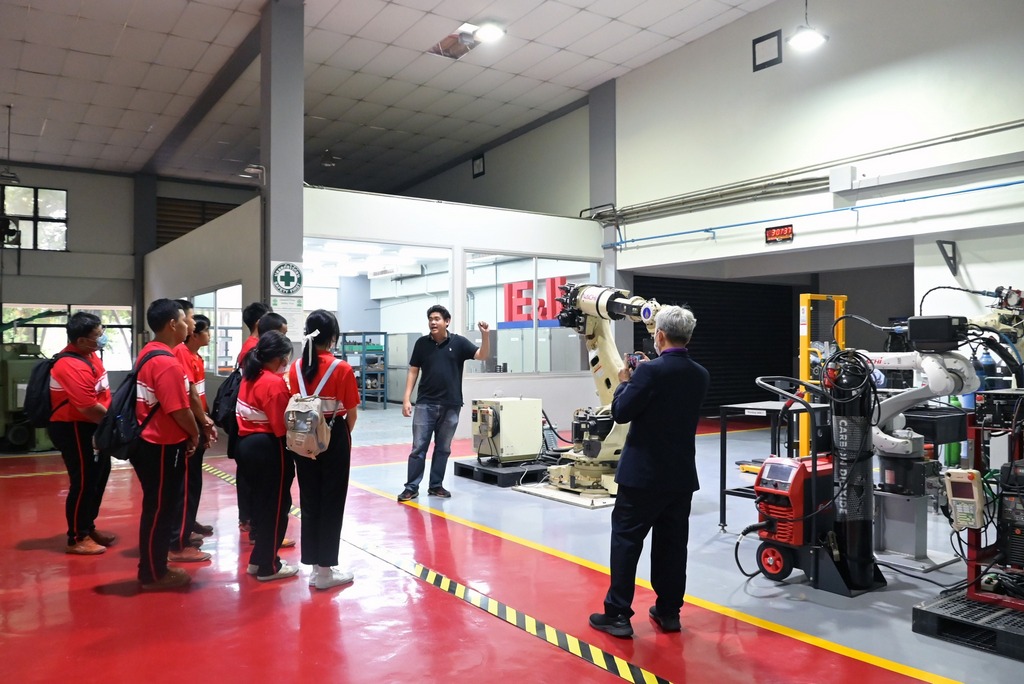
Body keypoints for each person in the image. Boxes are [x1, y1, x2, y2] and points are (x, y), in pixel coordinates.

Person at [588, 305, 709, 638]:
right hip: (680, 476)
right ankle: (669, 612)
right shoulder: (700, 374)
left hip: (641, 476)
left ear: (659, 335)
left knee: (627, 542)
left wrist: (625, 382)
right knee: (672, 546)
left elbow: (622, 413)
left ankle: (617, 615)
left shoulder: (649, 373)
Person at [131, 299, 201, 591]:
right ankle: (152, 572)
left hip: (152, 444)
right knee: (159, 510)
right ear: (173, 324)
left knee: (157, 507)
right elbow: (179, 410)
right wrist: (195, 433)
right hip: (159, 445)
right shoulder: (165, 362)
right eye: (186, 320)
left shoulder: (150, 353)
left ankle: (155, 565)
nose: (189, 325)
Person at [288, 310, 360, 590]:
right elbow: (351, 413)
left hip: (301, 439)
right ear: (332, 338)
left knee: (309, 499)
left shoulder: (295, 368)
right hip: (333, 438)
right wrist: (333, 437)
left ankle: (314, 566)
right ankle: (325, 571)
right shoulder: (341, 368)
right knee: (332, 501)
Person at [397, 305, 490, 502]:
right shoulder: (421, 344)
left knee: (443, 448)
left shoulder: (459, 343)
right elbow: (413, 370)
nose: (433, 322)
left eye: (437, 318)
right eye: (430, 318)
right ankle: (411, 487)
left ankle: (436, 485)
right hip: (425, 404)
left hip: (451, 405)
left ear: (447, 321)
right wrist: (407, 398)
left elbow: (482, 355)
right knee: (418, 448)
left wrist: (485, 336)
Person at [48, 312, 113, 555]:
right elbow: (86, 407)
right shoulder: (70, 365)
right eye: (98, 335)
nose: (102, 337)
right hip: (75, 427)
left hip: (93, 424)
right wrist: (112, 426)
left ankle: (88, 526)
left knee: (99, 476)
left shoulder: (89, 355)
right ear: (82, 340)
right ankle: (76, 537)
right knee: (84, 481)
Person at [235, 330, 298, 582]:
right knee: (276, 506)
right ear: (280, 358)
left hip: (246, 446)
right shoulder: (273, 383)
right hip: (269, 448)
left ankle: (258, 559)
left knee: (261, 506)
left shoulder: (250, 376)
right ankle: (268, 565)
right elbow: (281, 426)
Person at [168, 309, 218, 562]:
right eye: (206, 330)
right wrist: (201, 424)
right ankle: (178, 542)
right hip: (189, 427)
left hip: (197, 424)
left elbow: (197, 394)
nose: (210, 335)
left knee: (192, 484)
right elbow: (188, 395)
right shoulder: (179, 354)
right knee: (185, 486)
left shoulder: (194, 357)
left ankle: (186, 528)